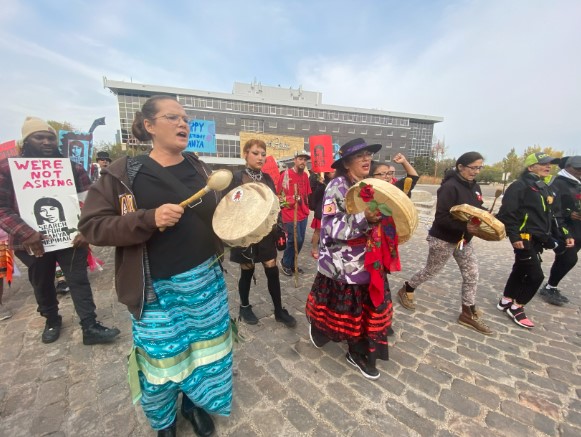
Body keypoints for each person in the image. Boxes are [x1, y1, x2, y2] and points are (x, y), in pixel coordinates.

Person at [78, 95, 232, 437]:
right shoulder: (122, 174)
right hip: (155, 291)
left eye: (186, 119)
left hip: (206, 283)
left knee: (203, 354)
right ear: (149, 126)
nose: (183, 124)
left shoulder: (199, 167)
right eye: (172, 117)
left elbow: (219, 216)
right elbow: (92, 226)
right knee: (162, 363)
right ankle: (164, 423)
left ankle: (194, 405)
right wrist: (147, 218)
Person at [0, 116, 120, 345]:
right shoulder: (7, 169)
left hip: (71, 238)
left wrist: (86, 229)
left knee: (78, 280)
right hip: (31, 244)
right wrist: (27, 233)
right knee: (42, 283)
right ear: (26, 141)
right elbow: (2, 208)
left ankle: (90, 325)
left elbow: (90, 201)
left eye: (50, 138)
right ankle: (51, 320)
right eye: (39, 137)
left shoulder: (72, 168)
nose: (46, 142)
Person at [305, 138, 394, 380]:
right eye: (359, 156)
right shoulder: (336, 187)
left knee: (368, 306)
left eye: (368, 154)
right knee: (345, 308)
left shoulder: (371, 184)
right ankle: (355, 351)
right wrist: (365, 217)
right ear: (346, 163)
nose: (366, 159)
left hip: (370, 258)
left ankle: (362, 344)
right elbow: (331, 226)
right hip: (343, 263)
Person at [397, 152, 493, 335]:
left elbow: (477, 209)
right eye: (473, 167)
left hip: (464, 240)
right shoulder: (449, 187)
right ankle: (407, 288)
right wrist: (465, 225)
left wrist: (487, 215)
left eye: (479, 168)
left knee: (472, 273)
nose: (476, 172)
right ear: (461, 167)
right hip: (443, 238)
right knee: (431, 270)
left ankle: (467, 311)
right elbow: (441, 218)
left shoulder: (475, 186)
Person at [496, 152, 574, 328]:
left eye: (550, 164)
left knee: (520, 269)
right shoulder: (519, 186)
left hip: (539, 239)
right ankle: (517, 307)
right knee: (536, 275)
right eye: (543, 163)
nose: (548, 166)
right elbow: (508, 214)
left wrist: (565, 234)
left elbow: (554, 215)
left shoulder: (544, 187)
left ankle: (506, 300)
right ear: (531, 167)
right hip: (524, 238)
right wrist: (514, 236)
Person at [227, 139, 296, 328]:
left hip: (266, 233)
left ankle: (279, 310)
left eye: (263, 154)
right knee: (247, 270)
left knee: (272, 269)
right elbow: (228, 207)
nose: (260, 157)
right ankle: (244, 306)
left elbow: (274, 205)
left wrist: (280, 226)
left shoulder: (267, 178)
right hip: (245, 234)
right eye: (255, 153)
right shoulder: (236, 177)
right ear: (245, 154)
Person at [540, 156, 581, 304]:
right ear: (568, 167)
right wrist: (569, 214)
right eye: (578, 168)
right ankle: (550, 287)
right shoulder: (558, 183)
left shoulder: (577, 183)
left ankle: (551, 286)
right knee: (569, 258)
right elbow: (551, 208)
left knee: (564, 259)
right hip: (563, 228)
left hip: (578, 229)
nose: (580, 171)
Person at [277, 150, 312, 276]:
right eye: (300, 159)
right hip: (290, 213)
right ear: (294, 160)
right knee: (295, 239)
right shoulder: (285, 175)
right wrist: (292, 199)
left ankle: (293, 264)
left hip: (303, 213)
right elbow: (279, 199)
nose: (303, 162)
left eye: (305, 159)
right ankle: (285, 262)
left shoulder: (305, 176)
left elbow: (307, 195)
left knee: (301, 241)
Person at [308, 170, 335, 259]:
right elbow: (316, 196)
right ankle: (314, 249)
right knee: (318, 231)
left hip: (332, 210)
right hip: (321, 210)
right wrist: (320, 184)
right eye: (332, 171)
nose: (334, 173)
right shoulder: (321, 183)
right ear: (327, 173)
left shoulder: (336, 182)